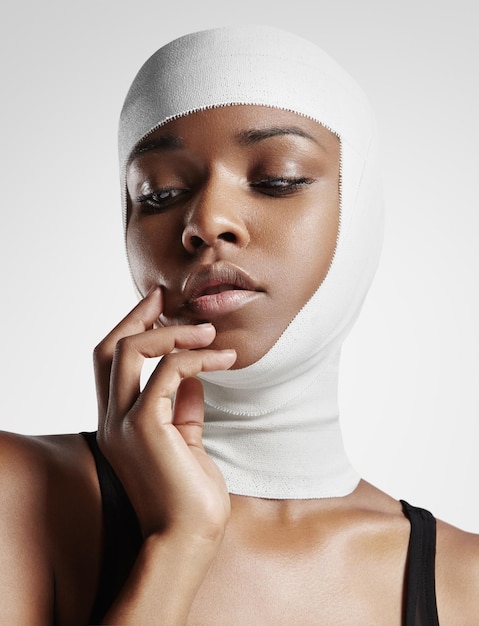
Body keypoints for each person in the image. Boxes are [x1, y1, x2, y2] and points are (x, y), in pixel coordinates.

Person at [0, 24, 477, 626]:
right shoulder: (17, 498)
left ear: (359, 211)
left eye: (277, 179)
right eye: (160, 192)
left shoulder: (465, 581)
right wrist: (178, 544)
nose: (206, 220)